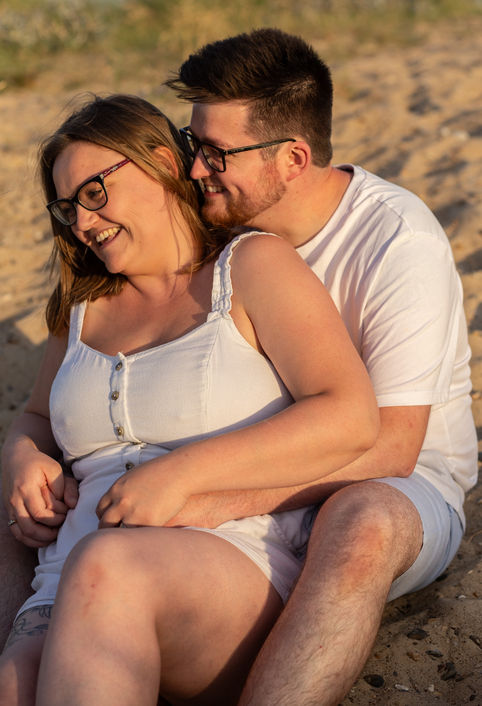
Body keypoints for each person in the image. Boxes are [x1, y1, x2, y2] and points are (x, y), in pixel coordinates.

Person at [0, 93, 378, 705]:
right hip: (63, 575)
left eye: (95, 193)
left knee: (108, 569)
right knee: (15, 685)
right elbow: (38, 415)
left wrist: (183, 473)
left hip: (225, 560)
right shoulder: (79, 308)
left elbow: (348, 412)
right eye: (68, 207)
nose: (83, 223)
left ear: (163, 165)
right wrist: (21, 453)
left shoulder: (250, 267)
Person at [165, 28, 477, 705]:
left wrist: (219, 500)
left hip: (397, 480)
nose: (195, 171)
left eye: (216, 153)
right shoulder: (215, 218)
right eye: (193, 146)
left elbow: (393, 448)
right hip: (252, 451)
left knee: (359, 524)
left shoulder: (397, 239)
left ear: (293, 158)